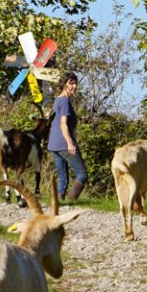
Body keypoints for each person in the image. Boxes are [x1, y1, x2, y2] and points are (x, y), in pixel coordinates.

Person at [47, 71, 87, 201]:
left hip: (54, 144)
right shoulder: (64, 102)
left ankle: (59, 202)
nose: (74, 86)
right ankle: (71, 200)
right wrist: (70, 143)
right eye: (71, 83)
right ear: (64, 84)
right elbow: (63, 124)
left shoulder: (57, 100)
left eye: (75, 83)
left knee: (62, 176)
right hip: (64, 144)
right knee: (82, 174)